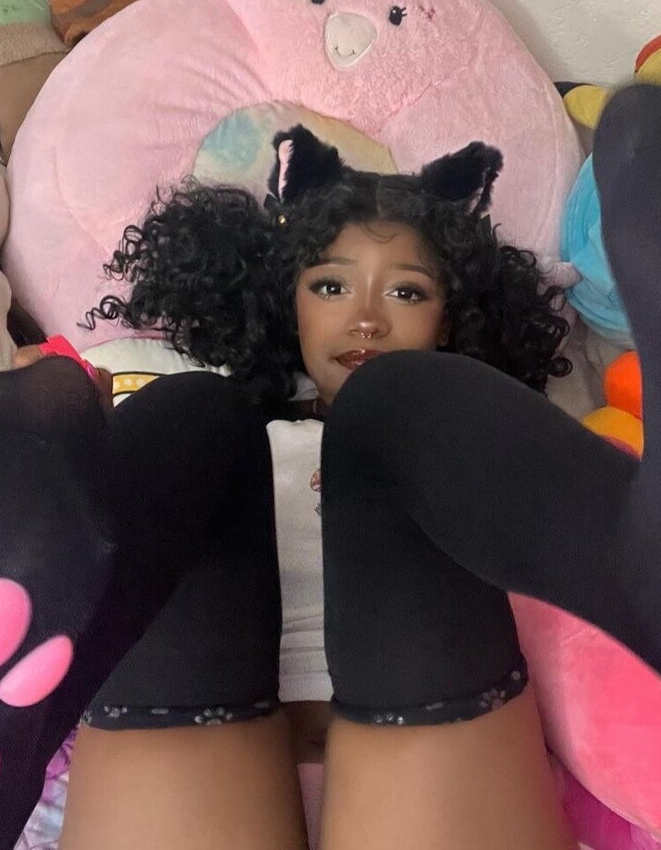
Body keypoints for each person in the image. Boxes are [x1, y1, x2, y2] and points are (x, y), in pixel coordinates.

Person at [55, 126, 578, 850]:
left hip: (430, 760)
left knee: (396, 415)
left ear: (449, 318)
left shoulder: (459, 436)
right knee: (189, 414)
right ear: (287, 302)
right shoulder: (243, 441)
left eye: (407, 291)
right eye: (330, 286)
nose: (366, 317)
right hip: (208, 759)